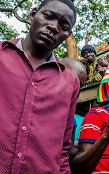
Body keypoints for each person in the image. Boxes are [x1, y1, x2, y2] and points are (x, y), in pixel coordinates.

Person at [0, 0, 78, 173]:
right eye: (48, 16)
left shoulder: (70, 82)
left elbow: (63, 150)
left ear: (68, 34)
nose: (54, 27)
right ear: (33, 14)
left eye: (64, 26)